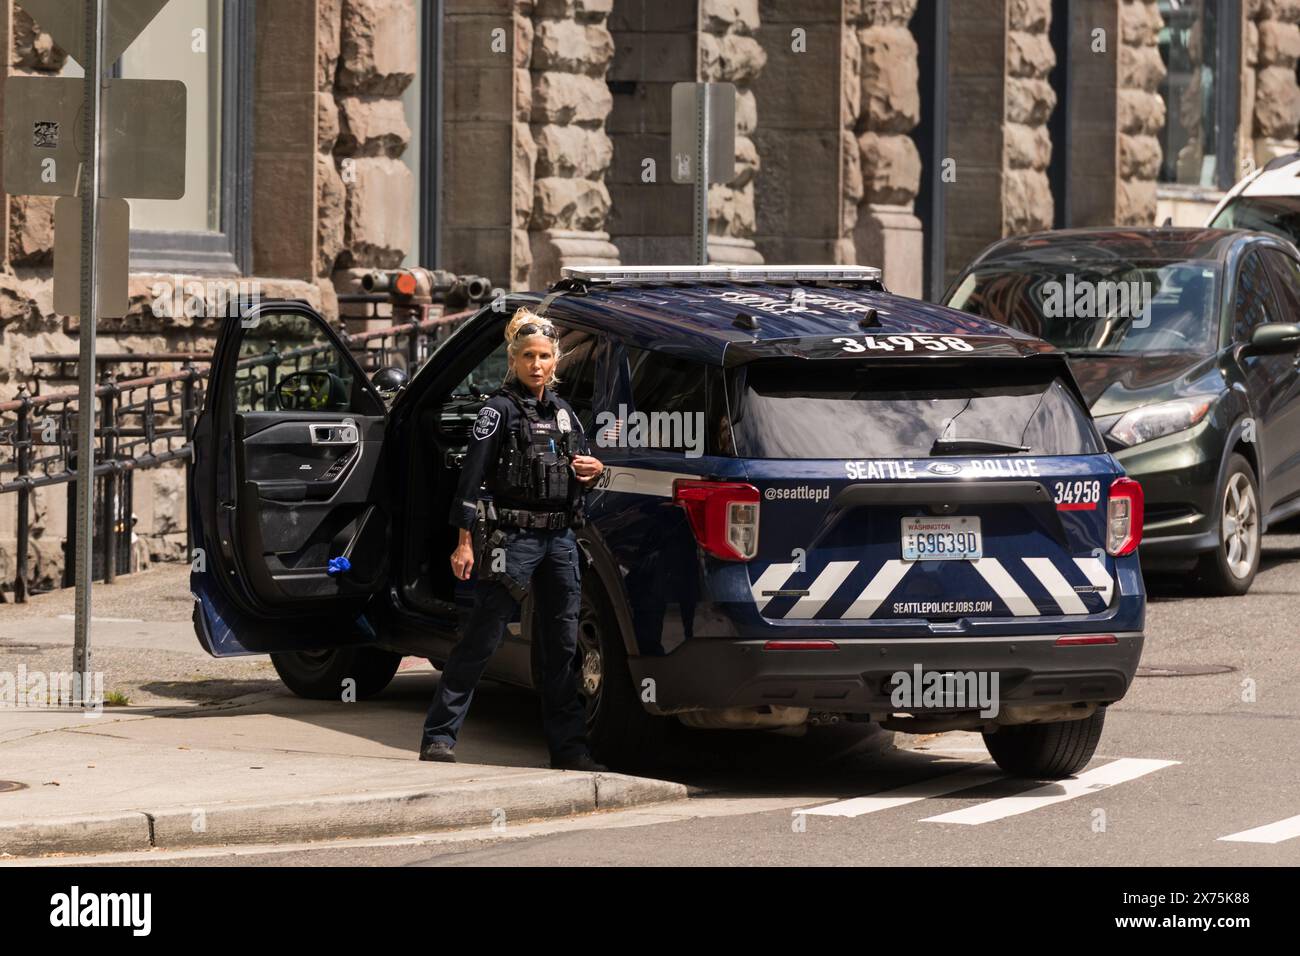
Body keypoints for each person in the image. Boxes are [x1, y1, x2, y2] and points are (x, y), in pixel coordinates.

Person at [419, 307, 607, 770]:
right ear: (514, 359)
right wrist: (463, 543)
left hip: (560, 541)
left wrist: (594, 471)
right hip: (513, 541)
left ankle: (569, 751)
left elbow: (582, 465)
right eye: (528, 356)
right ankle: (439, 737)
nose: (537, 365)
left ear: (556, 360)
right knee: (482, 638)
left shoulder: (565, 414)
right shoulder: (496, 411)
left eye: (544, 356)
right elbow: (470, 481)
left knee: (561, 649)